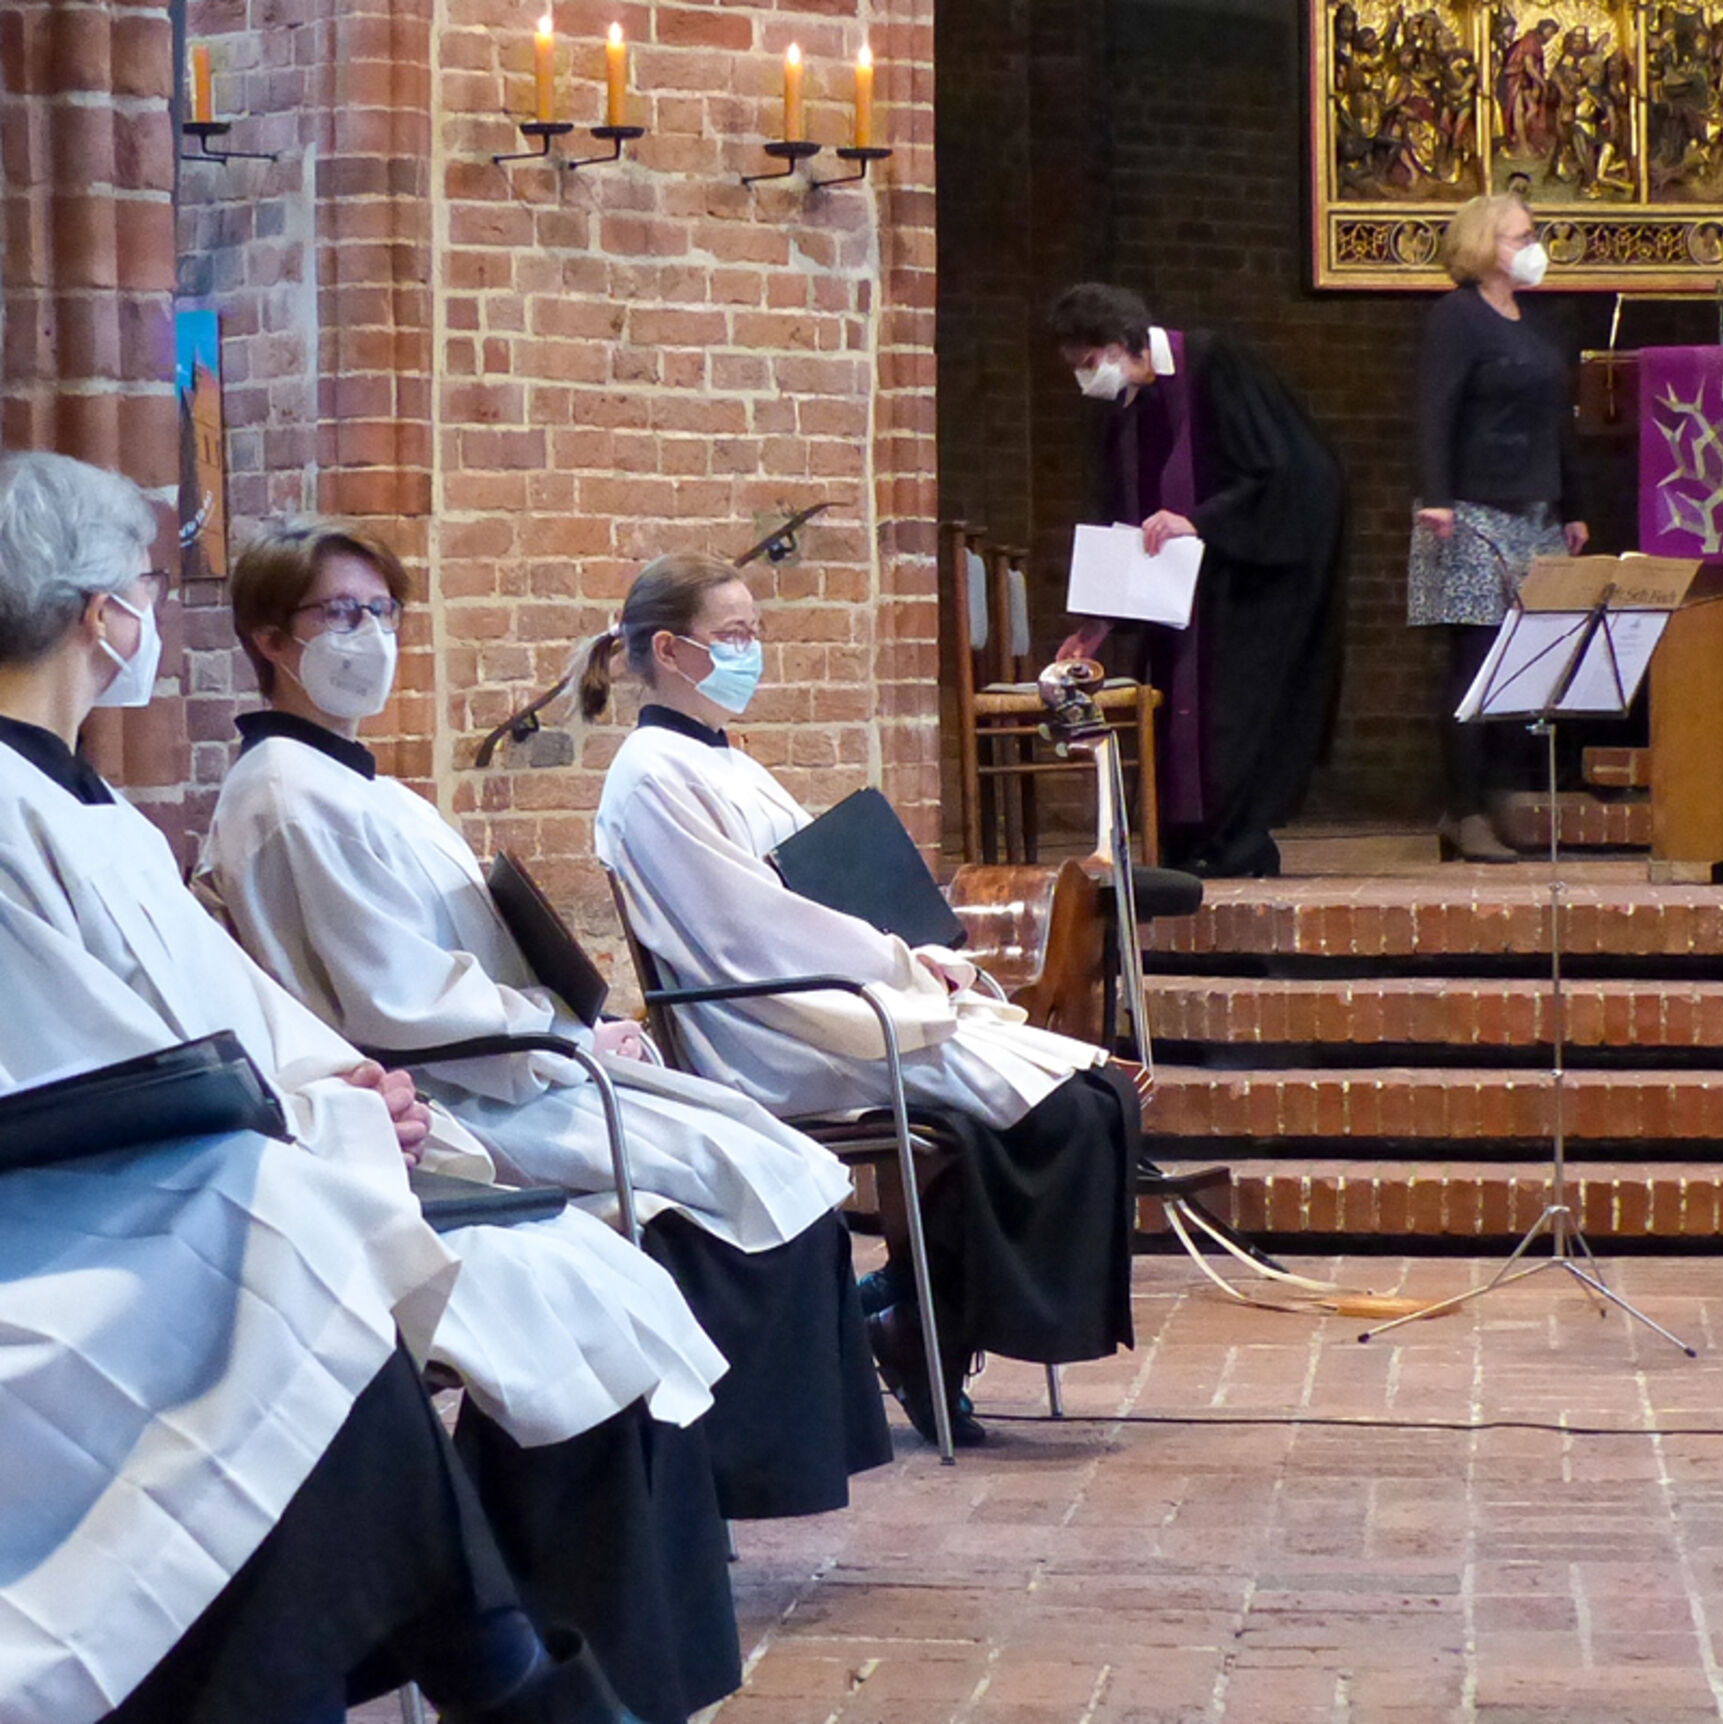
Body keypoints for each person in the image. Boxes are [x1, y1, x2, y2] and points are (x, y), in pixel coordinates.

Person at [0, 451, 649, 1724]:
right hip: (80, 1218)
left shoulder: (100, 812)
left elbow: (234, 1016)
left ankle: (510, 1661)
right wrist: (335, 1109)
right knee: (305, 1254)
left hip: (197, 1176)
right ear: (98, 613)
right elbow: (82, 1056)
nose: (149, 619)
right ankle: (502, 1670)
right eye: (144, 584)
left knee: (414, 1267)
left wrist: (345, 1088)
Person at [200, 518, 892, 1529]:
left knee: (764, 1155)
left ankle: (709, 1479)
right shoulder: (287, 797)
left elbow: (453, 949)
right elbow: (398, 997)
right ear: (269, 636)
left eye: (382, 610)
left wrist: (569, 1017)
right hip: (451, 1092)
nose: (369, 635)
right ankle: (708, 1481)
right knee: (727, 1180)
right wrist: (563, 1031)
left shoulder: (359, 782)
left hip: (510, 1060)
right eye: (339, 613)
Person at [588, 554, 1139, 1446]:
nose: (750, 650)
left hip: (829, 993)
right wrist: (898, 960)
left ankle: (913, 1310)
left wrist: (906, 950)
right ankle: (924, 1318)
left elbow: (806, 887)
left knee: (1090, 1098)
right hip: (772, 1019)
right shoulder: (653, 774)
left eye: (753, 633)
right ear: (668, 649)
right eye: (732, 635)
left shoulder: (720, 757)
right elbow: (752, 929)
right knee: (1072, 1111)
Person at [1049, 282, 1347, 879]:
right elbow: (1126, 527)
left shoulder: (1215, 365)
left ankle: (1240, 844)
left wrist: (1201, 521)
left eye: (1089, 364)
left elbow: (1288, 470)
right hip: (1183, 600)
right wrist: (1098, 623)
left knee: (1232, 719)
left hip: (1252, 584)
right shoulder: (1123, 418)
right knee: (1181, 719)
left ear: (1121, 343)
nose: (1087, 380)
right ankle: (1186, 844)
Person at [1409, 192, 1590, 862]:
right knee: (1475, 660)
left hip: (1535, 508)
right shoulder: (1456, 319)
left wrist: (1573, 505)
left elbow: (1557, 419)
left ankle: (1499, 794)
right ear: (1486, 246)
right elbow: (1434, 406)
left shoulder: (1535, 324)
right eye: (1521, 236)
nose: (1533, 246)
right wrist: (1437, 495)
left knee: (1525, 659)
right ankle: (1463, 809)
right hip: (1472, 509)